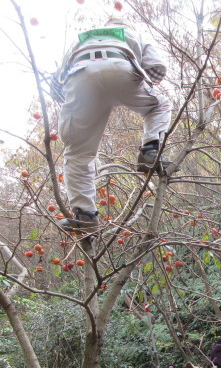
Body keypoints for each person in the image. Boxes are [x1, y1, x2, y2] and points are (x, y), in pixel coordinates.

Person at [52, 18, 172, 236]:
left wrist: (79, 107)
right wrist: (137, 87)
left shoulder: (81, 39)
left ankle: (85, 216)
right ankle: (150, 151)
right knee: (160, 104)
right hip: (120, 67)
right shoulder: (130, 33)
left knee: (78, 152)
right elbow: (157, 67)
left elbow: (57, 82)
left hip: (81, 75)